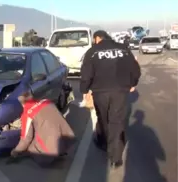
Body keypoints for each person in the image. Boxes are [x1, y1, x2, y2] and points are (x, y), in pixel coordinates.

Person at [80, 30, 141, 169]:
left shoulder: (93, 52)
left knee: (102, 117)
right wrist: (133, 83)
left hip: (100, 91)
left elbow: (86, 73)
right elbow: (135, 69)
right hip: (120, 91)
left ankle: (104, 143)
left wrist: (84, 90)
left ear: (97, 38)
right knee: (116, 120)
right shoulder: (123, 49)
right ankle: (115, 157)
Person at [10, 86, 75, 167]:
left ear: (21, 102)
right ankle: (59, 150)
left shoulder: (28, 114)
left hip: (50, 148)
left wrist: (15, 151)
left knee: (31, 148)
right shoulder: (46, 101)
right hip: (66, 138)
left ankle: (48, 156)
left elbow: (26, 139)